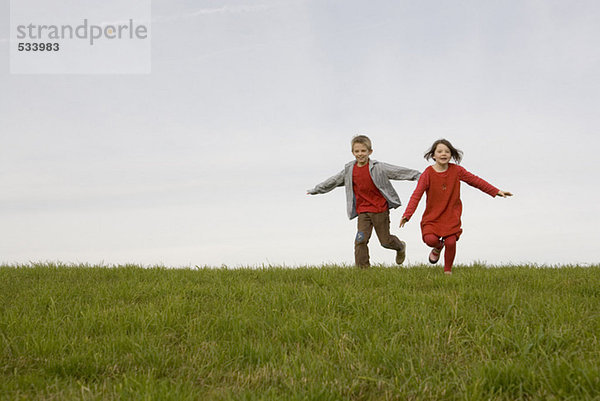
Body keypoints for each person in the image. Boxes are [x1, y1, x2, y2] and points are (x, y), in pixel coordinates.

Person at [399, 139, 512, 274]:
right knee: (430, 240)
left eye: (447, 151)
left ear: (451, 155)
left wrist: (496, 191)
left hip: (451, 215)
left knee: (451, 242)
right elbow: (416, 195)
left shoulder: (457, 170)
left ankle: (448, 272)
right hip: (433, 216)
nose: (443, 154)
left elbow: (476, 180)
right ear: (433, 155)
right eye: (440, 151)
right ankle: (438, 247)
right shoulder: (427, 174)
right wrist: (407, 215)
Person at [307, 135, 421, 268]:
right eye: (357, 151)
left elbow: (398, 172)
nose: (360, 154)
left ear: (369, 152)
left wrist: (418, 176)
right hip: (363, 212)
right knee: (360, 240)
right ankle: (363, 271)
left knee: (385, 241)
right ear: (353, 153)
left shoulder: (378, 167)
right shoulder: (349, 169)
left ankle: (400, 246)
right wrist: (316, 189)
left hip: (380, 210)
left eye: (363, 151)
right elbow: (333, 181)